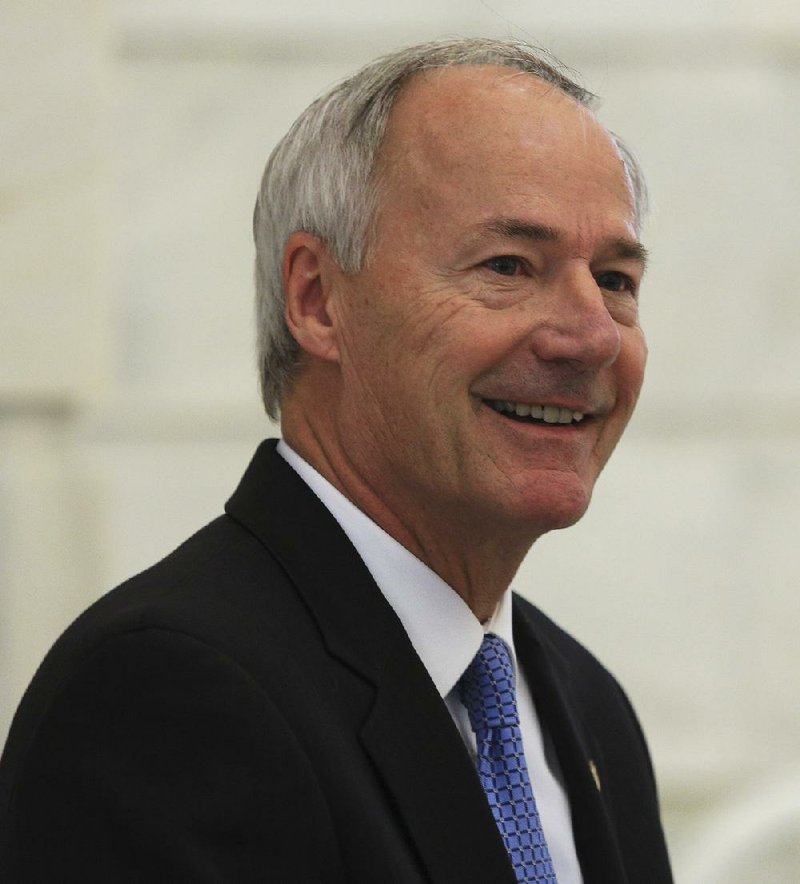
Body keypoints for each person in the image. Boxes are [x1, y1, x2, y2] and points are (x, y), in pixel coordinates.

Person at [0, 38, 673, 883]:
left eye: (615, 279)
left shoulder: (585, 705)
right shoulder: (167, 696)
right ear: (317, 299)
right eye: (508, 265)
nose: (591, 336)